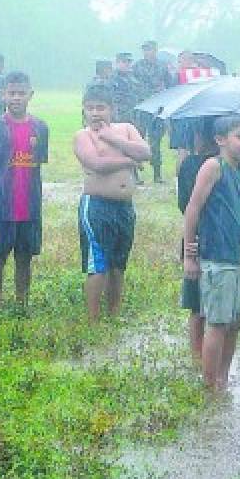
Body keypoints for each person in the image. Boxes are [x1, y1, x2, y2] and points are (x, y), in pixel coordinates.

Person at [182, 115, 240, 390]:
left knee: (236, 320)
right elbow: (193, 209)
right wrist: (190, 255)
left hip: (235, 257)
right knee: (217, 321)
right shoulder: (213, 167)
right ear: (220, 140)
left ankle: (223, 376)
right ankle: (211, 383)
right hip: (216, 259)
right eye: (239, 136)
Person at [73, 82, 151, 321]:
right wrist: (129, 161)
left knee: (119, 264)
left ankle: (113, 315)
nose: (95, 113)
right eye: (90, 108)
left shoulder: (126, 129)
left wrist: (114, 140)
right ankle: (93, 321)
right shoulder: (83, 136)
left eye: (101, 107)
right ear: (84, 110)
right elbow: (95, 164)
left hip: (124, 207)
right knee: (98, 265)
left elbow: (146, 153)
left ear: (112, 109)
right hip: (96, 206)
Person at [0, 71, 48, 309]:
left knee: (24, 258)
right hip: (2, 205)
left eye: (21, 93)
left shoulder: (41, 128)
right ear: (3, 95)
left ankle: (22, 304)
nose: (16, 98)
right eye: (12, 93)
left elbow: (39, 162)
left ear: (31, 95)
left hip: (30, 204)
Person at [177, 118, 218, 370]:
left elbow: (183, 204)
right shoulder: (233, 165)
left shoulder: (190, 164)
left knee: (197, 306)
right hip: (208, 240)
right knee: (202, 305)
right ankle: (199, 359)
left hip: (199, 238)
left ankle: (197, 357)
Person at [132, 41, 171, 183]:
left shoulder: (162, 66)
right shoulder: (137, 67)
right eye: (145, 50)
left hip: (157, 108)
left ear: (156, 50)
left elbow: (169, 85)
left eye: (150, 50)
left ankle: (157, 174)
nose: (148, 52)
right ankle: (135, 173)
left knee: (155, 142)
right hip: (142, 108)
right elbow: (131, 85)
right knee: (137, 140)